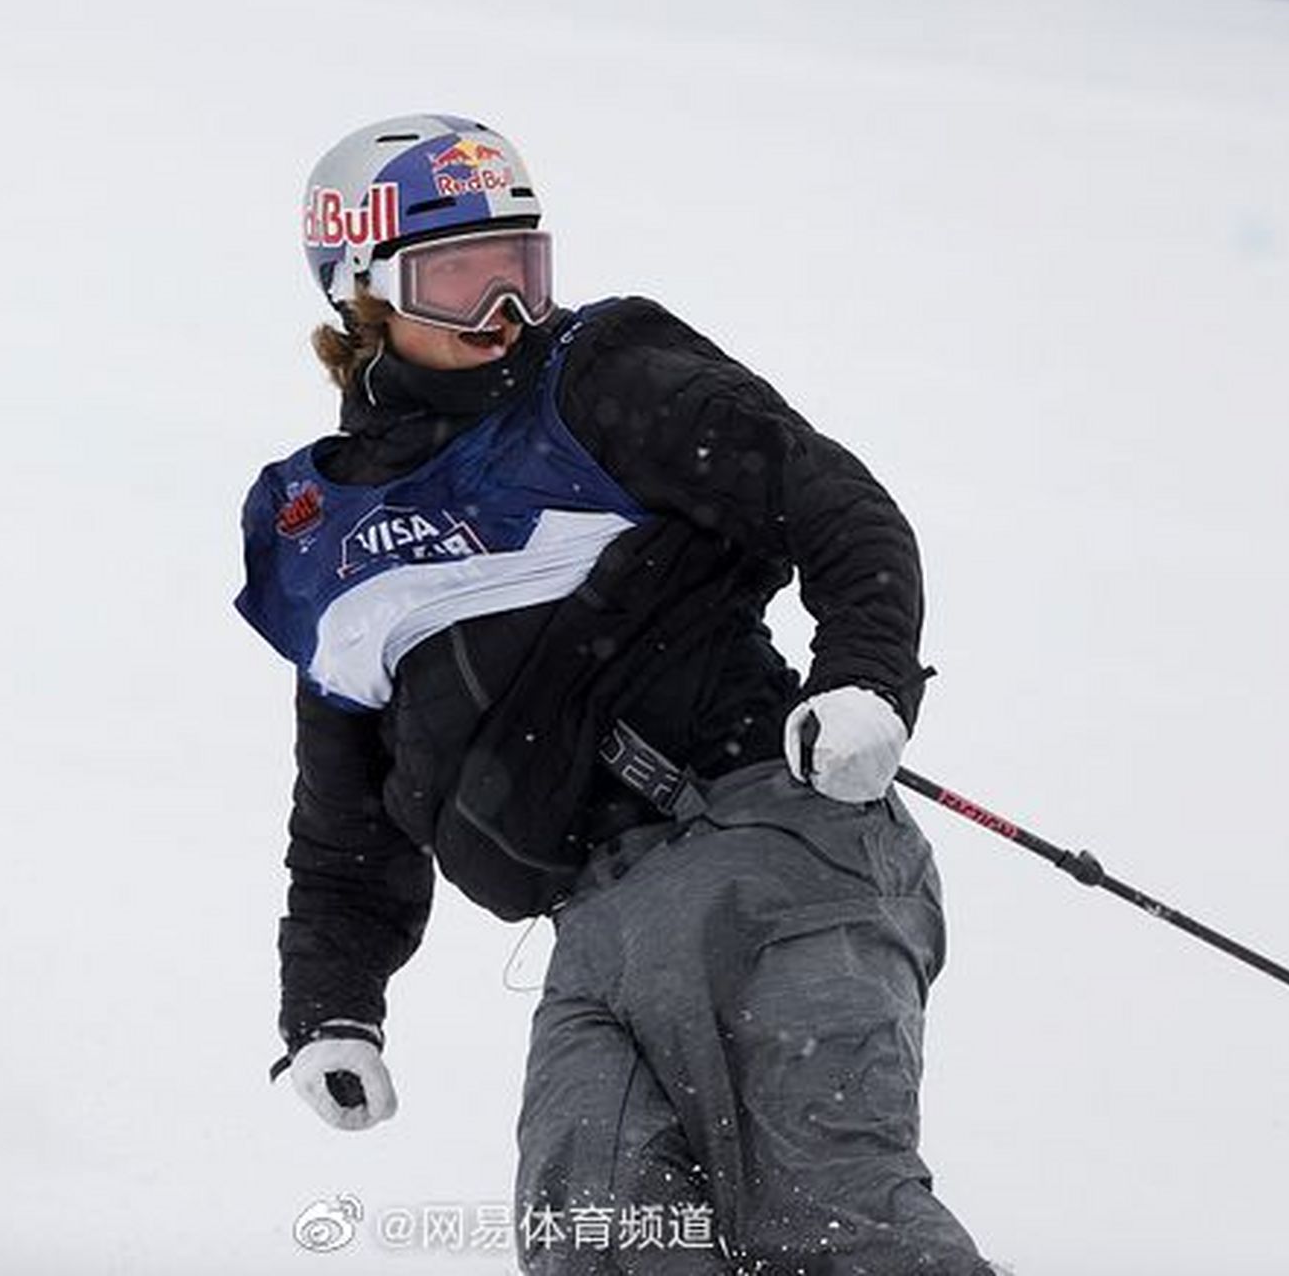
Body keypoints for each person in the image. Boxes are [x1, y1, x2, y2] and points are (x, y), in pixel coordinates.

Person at [236, 113, 992, 1275]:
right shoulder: (319, 532)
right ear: (364, 296)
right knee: (601, 1237)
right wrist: (333, 1003)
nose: (505, 314)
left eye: (520, 273)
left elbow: (835, 504)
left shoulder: (601, 377)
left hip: (772, 851)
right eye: (457, 282)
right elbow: (342, 806)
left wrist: (865, 683)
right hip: (590, 930)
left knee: (833, 1221)